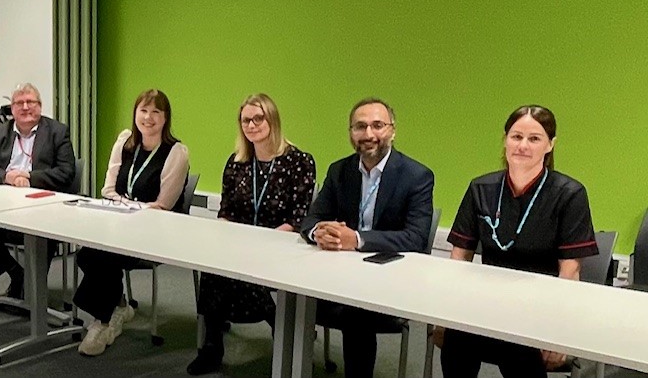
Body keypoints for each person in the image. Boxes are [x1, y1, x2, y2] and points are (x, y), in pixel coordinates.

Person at [440, 105, 596, 377]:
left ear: (550, 145)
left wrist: (558, 332)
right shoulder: (481, 188)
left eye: (534, 139)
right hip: (485, 304)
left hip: (537, 313)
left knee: (519, 351)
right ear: (505, 140)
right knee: (456, 340)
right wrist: (443, 317)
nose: (523, 145)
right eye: (516, 136)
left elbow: (569, 272)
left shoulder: (569, 194)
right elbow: (459, 258)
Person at [299, 97, 434, 378]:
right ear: (351, 132)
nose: (369, 134)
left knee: (355, 314)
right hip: (337, 272)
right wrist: (319, 232)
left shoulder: (417, 176)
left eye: (377, 125)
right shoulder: (340, 171)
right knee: (293, 296)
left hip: (387, 277)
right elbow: (311, 220)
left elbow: (416, 238)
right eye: (360, 127)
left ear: (392, 130)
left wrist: (357, 239)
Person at [188, 93, 316, 374]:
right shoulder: (237, 162)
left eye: (259, 118)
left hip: (282, 243)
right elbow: (227, 209)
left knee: (243, 270)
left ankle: (281, 326)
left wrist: (262, 242)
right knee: (213, 267)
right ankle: (212, 346)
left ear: (272, 120)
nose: (252, 125)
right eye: (246, 120)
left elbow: (299, 217)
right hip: (239, 243)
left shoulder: (299, 161)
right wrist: (224, 233)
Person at [74, 89, 190, 356]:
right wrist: (125, 206)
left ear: (165, 118)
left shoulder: (175, 153)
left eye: (155, 112)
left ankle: (102, 322)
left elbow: (164, 205)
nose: (148, 118)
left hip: (154, 230)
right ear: (135, 114)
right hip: (119, 223)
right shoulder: (125, 143)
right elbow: (108, 190)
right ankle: (117, 306)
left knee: (99, 257)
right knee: (89, 255)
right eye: (143, 111)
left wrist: (130, 206)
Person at [0, 83, 77, 300]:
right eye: (19, 103)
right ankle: (17, 274)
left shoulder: (57, 132)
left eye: (30, 102)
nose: (25, 107)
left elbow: (66, 173)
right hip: (6, 208)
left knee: (44, 232)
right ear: (12, 109)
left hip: (45, 208)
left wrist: (28, 177)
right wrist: (7, 177)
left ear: (40, 106)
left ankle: (34, 287)